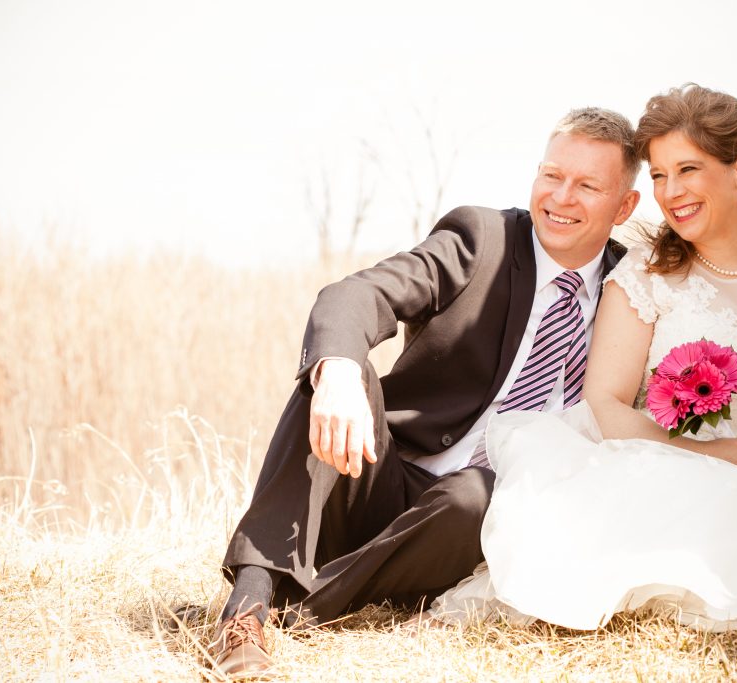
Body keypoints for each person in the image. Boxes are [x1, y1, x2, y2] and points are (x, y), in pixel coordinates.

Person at [206, 108, 641, 677]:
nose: (561, 197)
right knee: (342, 369)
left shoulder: (633, 291)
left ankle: (299, 606)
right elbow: (357, 295)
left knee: (479, 496)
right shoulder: (482, 239)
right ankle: (247, 609)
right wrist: (335, 370)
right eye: (552, 175)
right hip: (375, 475)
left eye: (587, 185)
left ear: (625, 206)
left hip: (473, 518)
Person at [426, 84, 737, 632]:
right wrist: (700, 455)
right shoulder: (644, 274)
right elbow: (605, 403)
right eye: (658, 175)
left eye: (687, 169)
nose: (670, 191)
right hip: (655, 472)